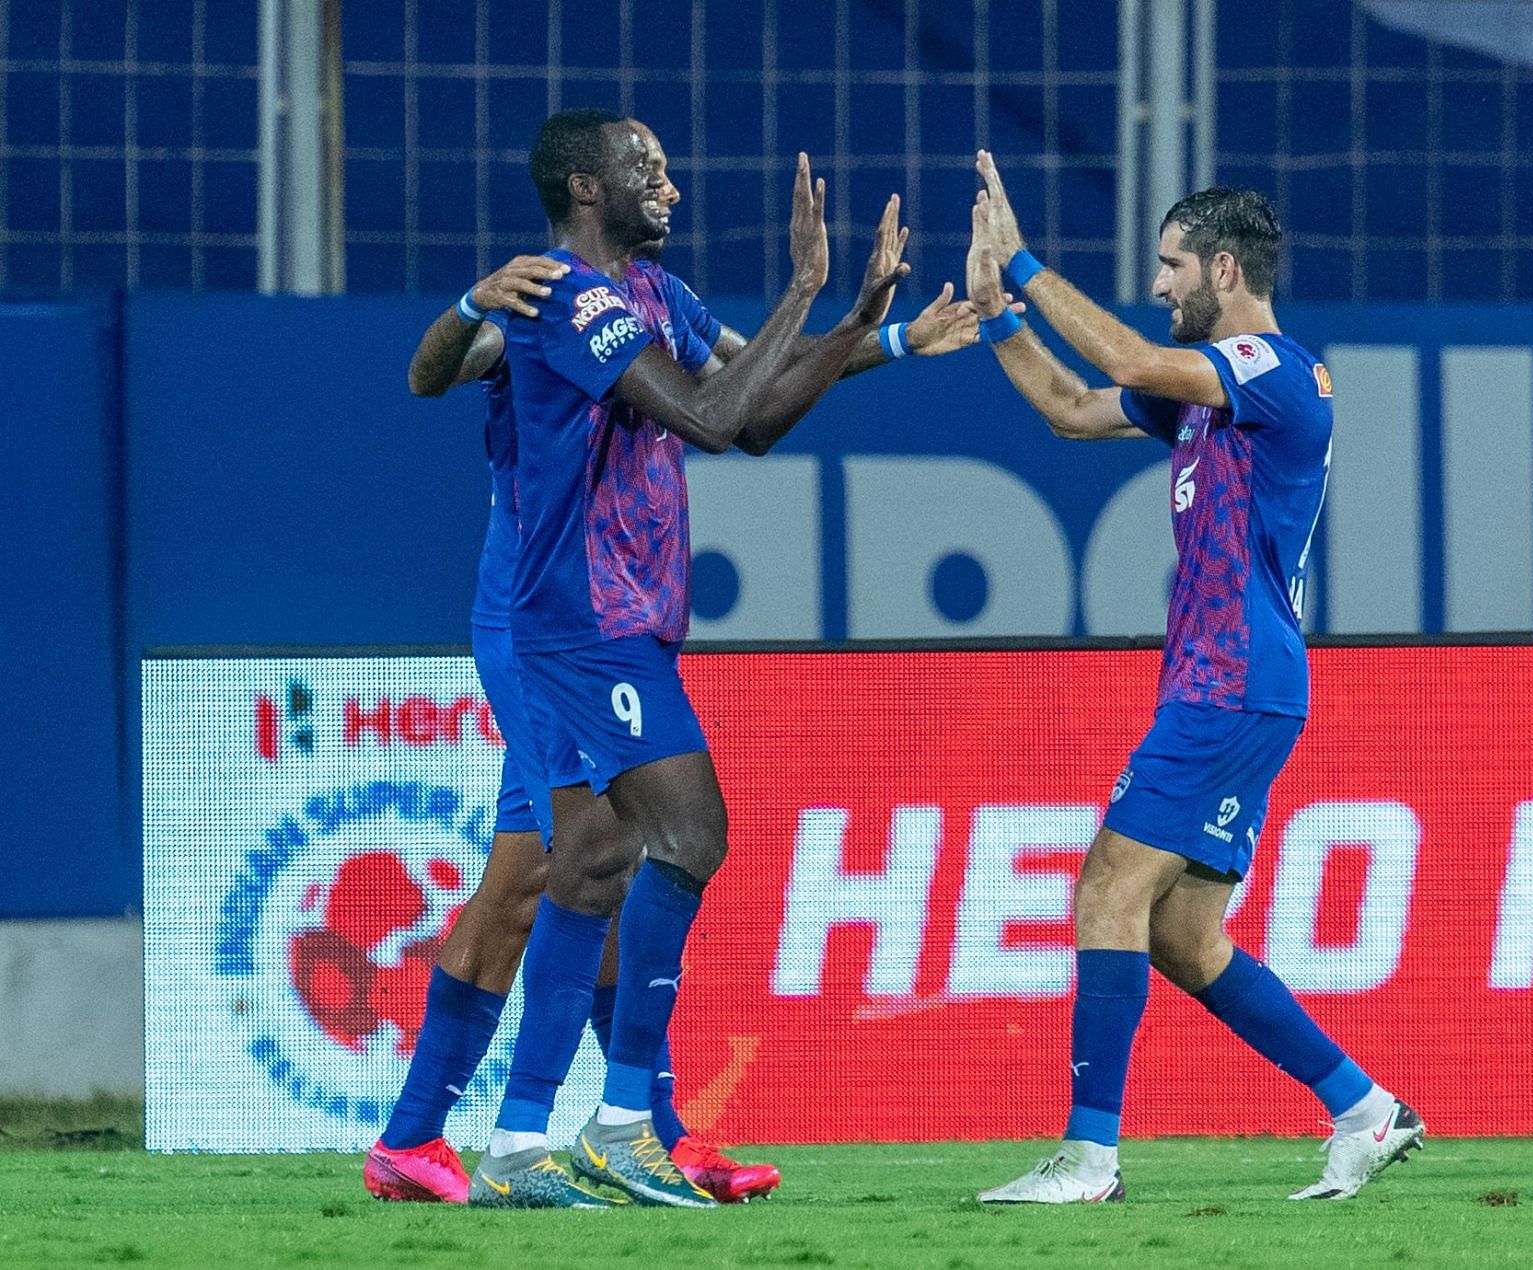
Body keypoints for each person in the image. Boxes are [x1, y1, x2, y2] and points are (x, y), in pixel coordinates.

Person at [464, 107, 921, 1209]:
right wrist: (805, 289)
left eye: (670, 166)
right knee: (693, 833)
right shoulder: (572, 298)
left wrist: (862, 313)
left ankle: (517, 1143)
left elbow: (758, 421)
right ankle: (624, 1122)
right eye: (646, 169)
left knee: (593, 866)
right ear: (585, 185)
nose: (670, 184)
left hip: (607, 619)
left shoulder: (654, 298)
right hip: (586, 619)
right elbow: (713, 416)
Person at [963, 151, 1423, 1204]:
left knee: (1107, 888)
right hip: (1233, 684)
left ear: (1224, 268)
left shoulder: (1274, 368)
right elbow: (1073, 407)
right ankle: (1365, 1108)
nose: (1158, 285)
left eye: (1171, 266)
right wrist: (997, 314)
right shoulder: (1213, 398)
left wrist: (1025, 261)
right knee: (1178, 931)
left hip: (1233, 679)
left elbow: (1123, 353)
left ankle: (1089, 1157)